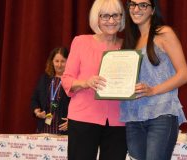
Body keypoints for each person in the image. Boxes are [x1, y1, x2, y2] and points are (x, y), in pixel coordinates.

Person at [120, 0, 187, 159]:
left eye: (143, 5)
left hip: (161, 114)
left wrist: (152, 90)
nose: (136, 9)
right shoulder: (131, 41)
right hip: (133, 117)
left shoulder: (164, 33)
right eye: (133, 4)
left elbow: (184, 74)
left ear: (152, 10)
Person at [61, 0, 127, 159]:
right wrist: (85, 83)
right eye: (105, 16)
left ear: (122, 18)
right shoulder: (81, 41)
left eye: (115, 15)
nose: (111, 21)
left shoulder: (129, 46)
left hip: (119, 121)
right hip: (84, 117)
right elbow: (66, 79)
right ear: (96, 19)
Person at [30, 47, 70, 135]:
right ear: (52, 62)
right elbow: (34, 99)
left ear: (69, 61)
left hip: (63, 130)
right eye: (57, 61)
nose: (59, 65)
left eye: (63, 61)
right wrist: (37, 112)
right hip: (44, 129)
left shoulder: (73, 81)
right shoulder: (44, 79)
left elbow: (80, 105)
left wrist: (73, 122)